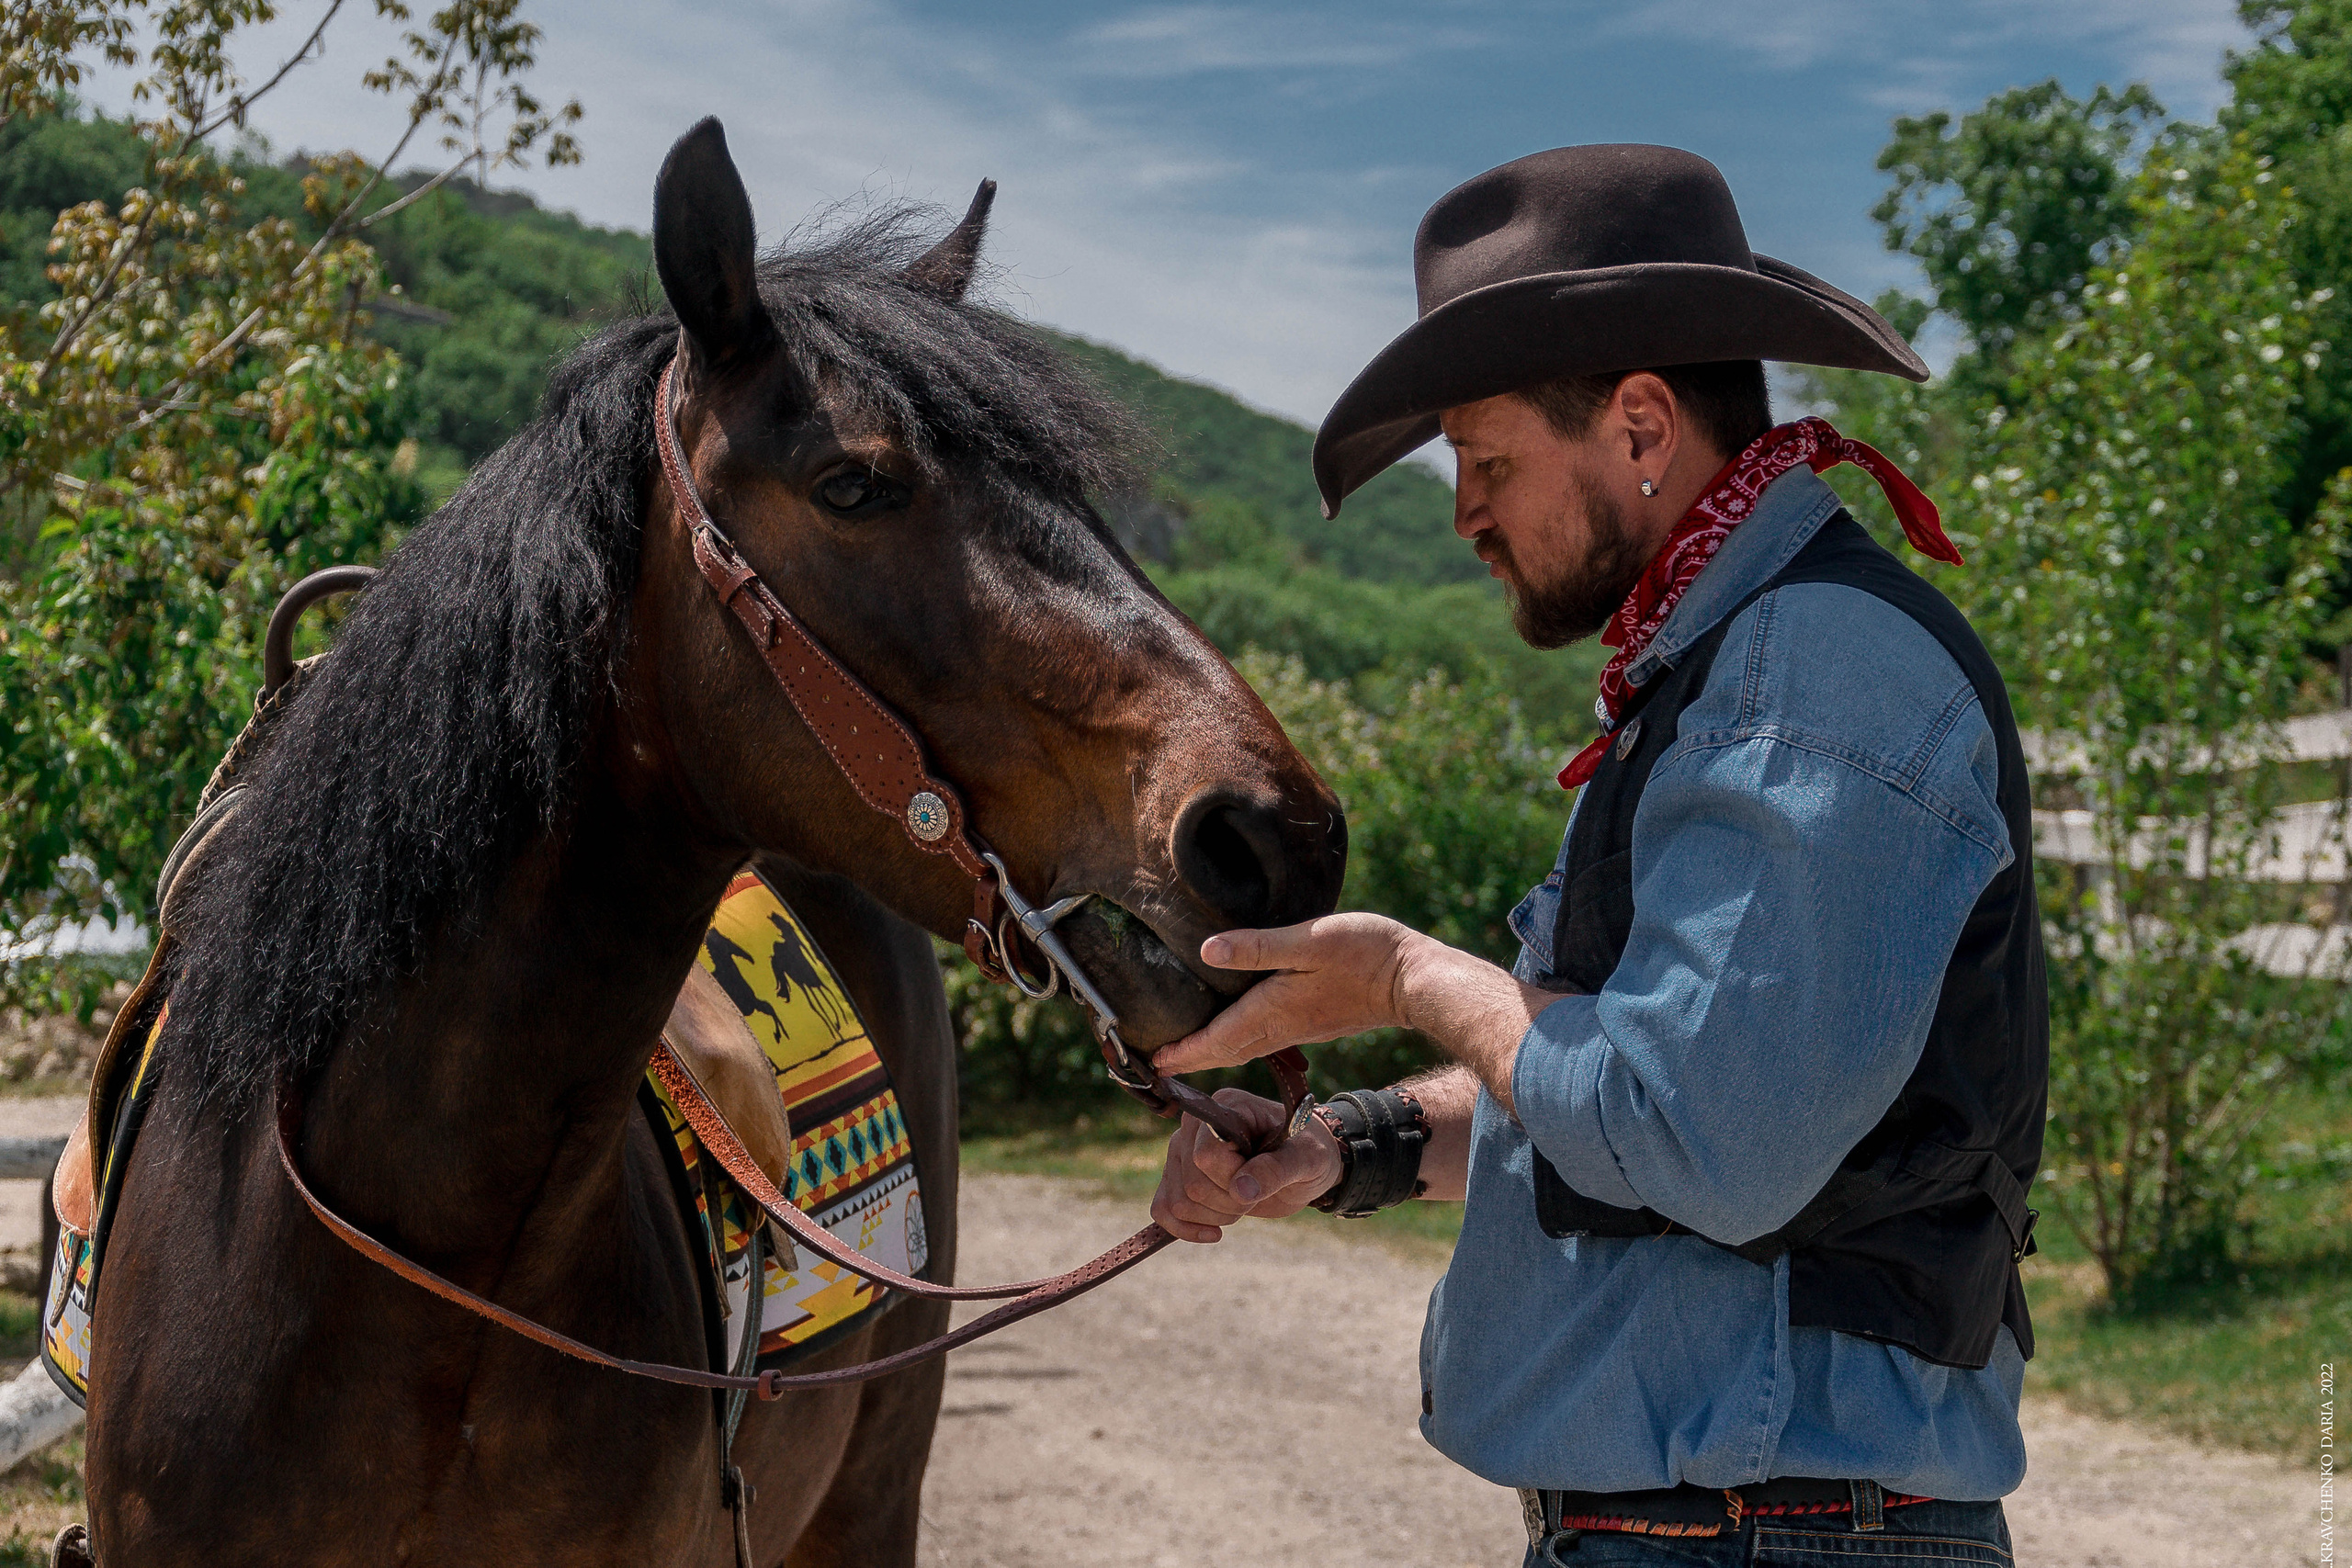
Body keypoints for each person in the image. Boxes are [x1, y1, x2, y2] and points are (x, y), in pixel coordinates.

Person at [1148, 144, 2047, 1567]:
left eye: (1487, 459)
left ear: (1639, 424)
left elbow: (1695, 1130)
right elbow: (1594, 1091)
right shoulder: (1727, 674)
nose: (1463, 515)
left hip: (1772, 1537)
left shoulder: (1805, 673)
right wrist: (1344, 1149)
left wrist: (1407, 974)